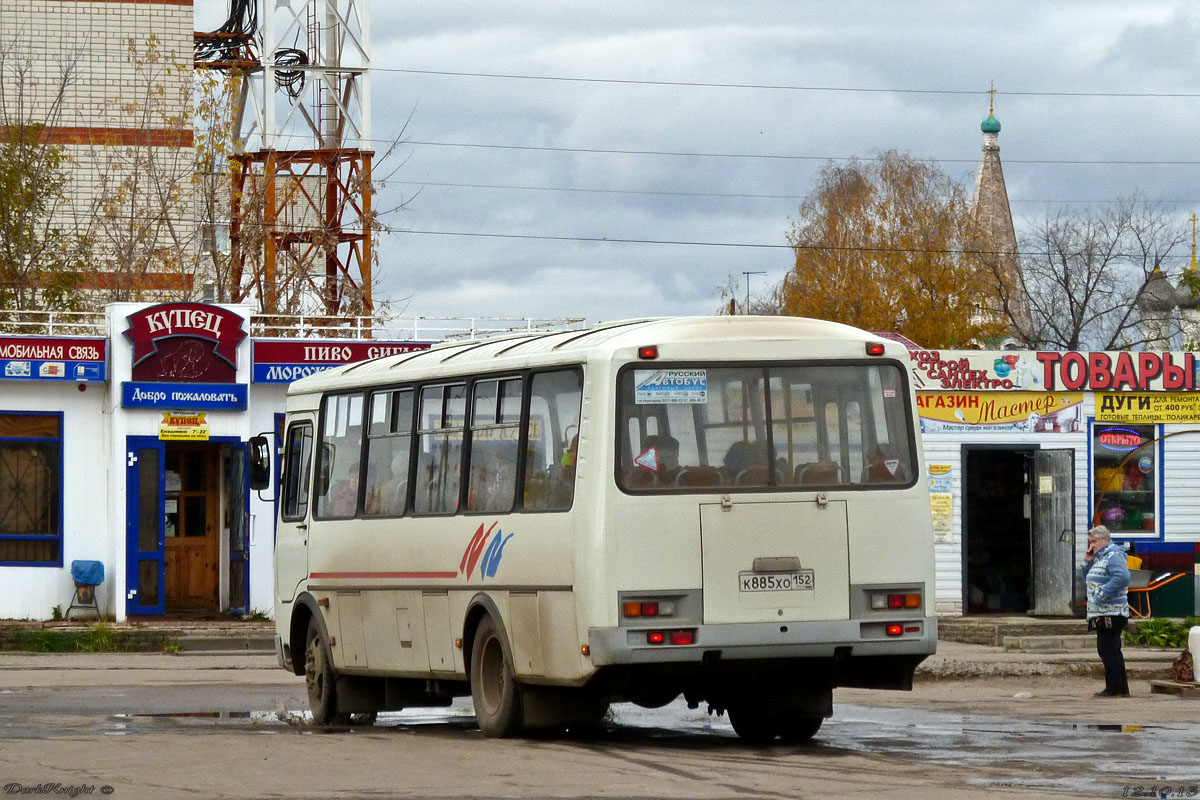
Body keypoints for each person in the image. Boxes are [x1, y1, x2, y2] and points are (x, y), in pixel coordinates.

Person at [1082, 525, 1131, 697]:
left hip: (1111, 611)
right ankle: (1119, 688)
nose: (1091, 546)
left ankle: (1115, 688)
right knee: (1109, 650)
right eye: (1090, 542)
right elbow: (1089, 580)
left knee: (1108, 650)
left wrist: (1102, 595)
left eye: (1094, 542)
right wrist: (1088, 562)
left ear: (1105, 540)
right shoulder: (1100, 558)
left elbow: (1123, 577)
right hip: (1102, 612)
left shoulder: (1113, 556)